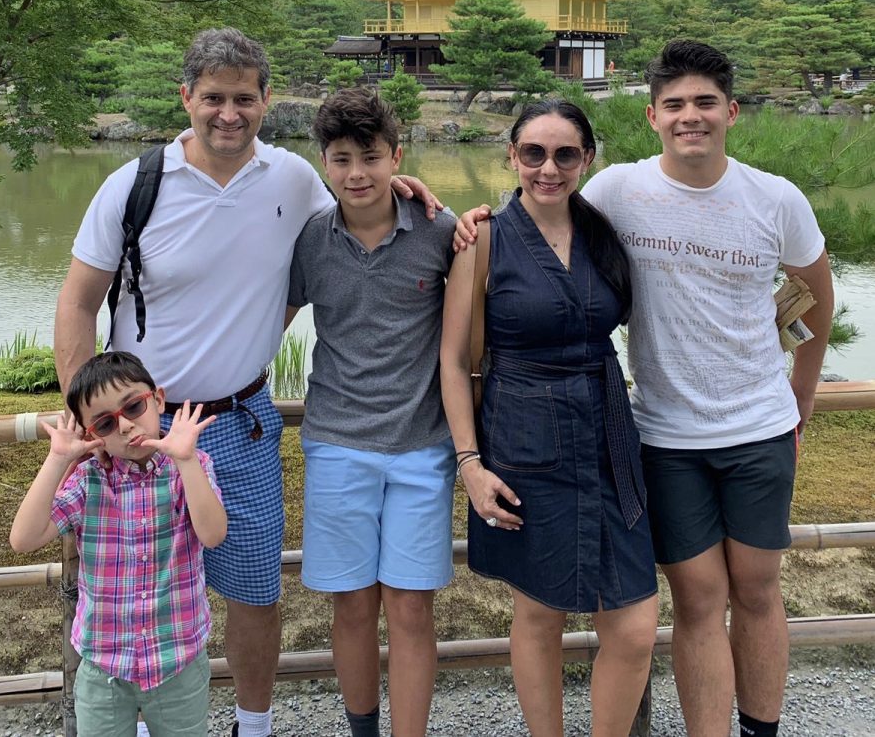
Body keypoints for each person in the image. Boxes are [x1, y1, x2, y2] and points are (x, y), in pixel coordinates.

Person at [54, 27, 441, 737]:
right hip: (142, 426)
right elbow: (78, 302)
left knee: (255, 589)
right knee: (140, 584)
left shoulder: (294, 178)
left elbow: (358, 216)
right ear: (186, 98)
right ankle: (145, 721)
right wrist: (91, 425)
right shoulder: (135, 184)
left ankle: (253, 725)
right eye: (212, 98)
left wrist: (408, 192)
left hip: (244, 417)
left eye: (243, 98)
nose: (227, 113)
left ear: (267, 100)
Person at [457, 40, 835, 737]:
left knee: (757, 589)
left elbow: (816, 287)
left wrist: (801, 397)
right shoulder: (618, 190)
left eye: (704, 103)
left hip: (758, 425)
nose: (690, 116)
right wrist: (469, 219)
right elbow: (540, 207)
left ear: (732, 110)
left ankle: (762, 727)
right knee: (696, 598)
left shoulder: (775, 198)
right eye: (675, 105)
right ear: (652, 115)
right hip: (662, 434)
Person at [441, 98, 659, 737]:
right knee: (538, 614)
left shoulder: (605, 231)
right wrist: (470, 464)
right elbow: (453, 362)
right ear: (511, 157)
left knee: (634, 622)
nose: (548, 168)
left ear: (587, 159)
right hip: (521, 440)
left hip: (608, 439)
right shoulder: (480, 239)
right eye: (533, 153)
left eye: (566, 154)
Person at [285, 88, 457, 737]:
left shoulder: (438, 229)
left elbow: (479, 312)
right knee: (353, 606)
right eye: (342, 158)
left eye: (371, 157)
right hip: (335, 443)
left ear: (397, 156)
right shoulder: (309, 239)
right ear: (324, 163)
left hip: (421, 445)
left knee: (411, 609)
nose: (357, 173)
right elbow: (267, 322)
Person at [10, 351, 226, 737]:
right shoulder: (88, 480)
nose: (125, 427)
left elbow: (212, 534)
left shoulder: (191, 467)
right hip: (103, 664)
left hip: (178, 656)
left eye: (133, 406)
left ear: (158, 399)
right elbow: (23, 539)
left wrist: (187, 460)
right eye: (107, 422)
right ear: (91, 435)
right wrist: (59, 459)